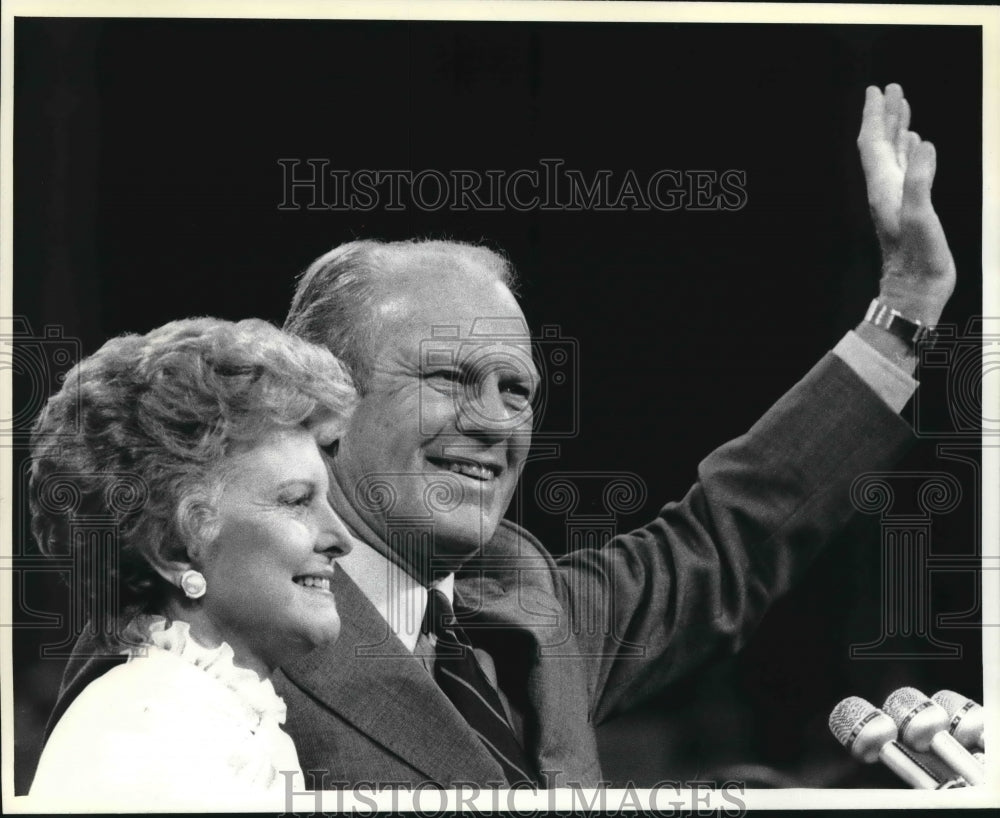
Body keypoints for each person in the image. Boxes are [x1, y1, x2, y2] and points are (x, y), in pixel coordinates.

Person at [50, 84, 956, 790]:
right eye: (449, 378)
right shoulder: (213, 635)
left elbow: (735, 530)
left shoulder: (526, 597)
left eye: (517, 390)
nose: (493, 421)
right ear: (325, 401)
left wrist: (905, 307)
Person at [27, 318, 357, 809]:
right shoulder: (146, 732)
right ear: (174, 549)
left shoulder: (210, 712)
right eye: (295, 501)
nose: (341, 539)